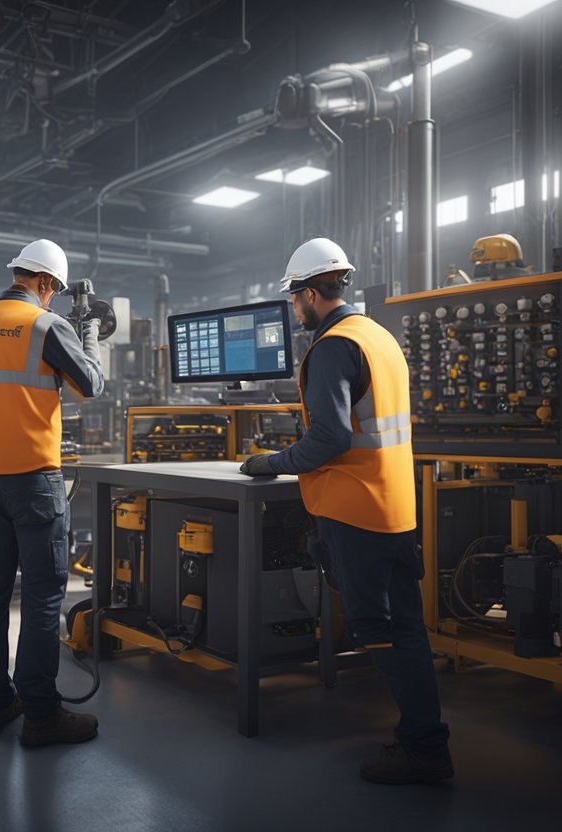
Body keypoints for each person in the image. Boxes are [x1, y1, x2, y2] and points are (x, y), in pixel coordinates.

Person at [239, 237, 453, 785]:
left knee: (375, 624)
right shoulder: (378, 336)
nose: (293, 308)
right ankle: (426, 737)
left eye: (294, 298)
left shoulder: (332, 347)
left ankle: (424, 748)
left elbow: (330, 439)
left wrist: (268, 462)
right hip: (394, 505)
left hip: (355, 509)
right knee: (406, 627)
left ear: (312, 293)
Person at [0, 239, 105, 747]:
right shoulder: (46, 325)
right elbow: (92, 385)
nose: (51, 300)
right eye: (52, 292)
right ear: (45, 284)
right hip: (34, 481)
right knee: (41, 596)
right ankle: (41, 713)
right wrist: (90, 333)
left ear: (18, 273)